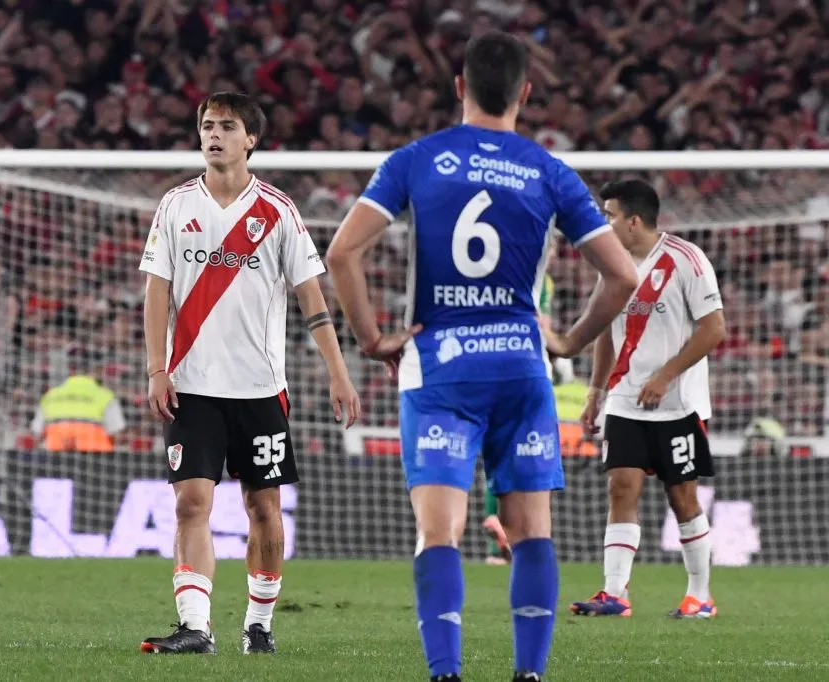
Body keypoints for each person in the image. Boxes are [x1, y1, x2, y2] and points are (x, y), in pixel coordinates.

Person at [326, 31, 638, 682]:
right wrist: (570, 342)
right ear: (526, 92)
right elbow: (623, 277)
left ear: (460, 87)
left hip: (440, 368)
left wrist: (372, 338)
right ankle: (529, 674)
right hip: (520, 367)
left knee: (439, 532)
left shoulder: (416, 159)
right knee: (531, 531)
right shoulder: (549, 171)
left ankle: (446, 672)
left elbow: (342, 254)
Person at [138, 92, 361, 655]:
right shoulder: (175, 205)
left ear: (251, 139)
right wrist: (157, 367)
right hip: (191, 386)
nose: (214, 135)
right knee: (191, 503)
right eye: (207, 125)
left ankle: (258, 625)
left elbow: (312, 299)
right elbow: (157, 290)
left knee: (263, 508)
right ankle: (195, 627)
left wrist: (338, 372)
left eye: (227, 126)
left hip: (260, 390)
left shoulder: (278, 211)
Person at [557, 179, 726, 619]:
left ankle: (700, 596)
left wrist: (666, 376)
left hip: (677, 404)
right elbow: (605, 330)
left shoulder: (687, 259)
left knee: (682, 497)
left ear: (633, 221)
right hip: (625, 400)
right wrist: (596, 392)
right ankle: (615, 594)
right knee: (621, 487)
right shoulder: (613, 266)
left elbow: (714, 329)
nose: (604, 222)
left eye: (609, 215)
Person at [29, 348, 127, 453]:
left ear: (70, 369)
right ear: (97, 369)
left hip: (56, 456)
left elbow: (36, 433)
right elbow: (117, 434)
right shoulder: (105, 396)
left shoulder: (50, 395)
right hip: (95, 456)